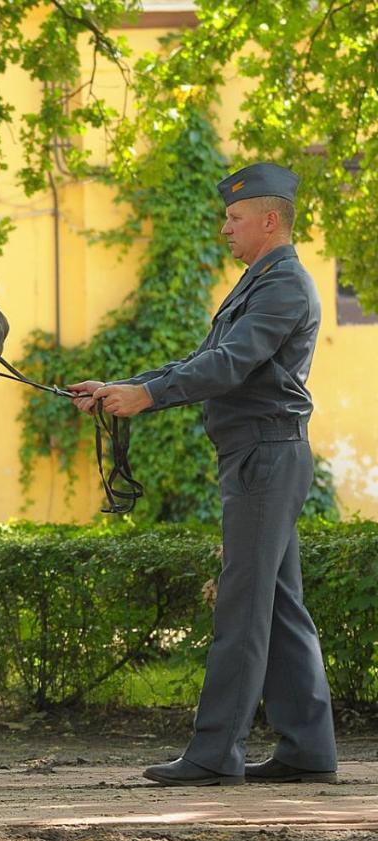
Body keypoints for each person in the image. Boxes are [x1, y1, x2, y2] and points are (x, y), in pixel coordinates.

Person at [69, 162, 337, 787]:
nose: (225, 229)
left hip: (265, 457)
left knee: (244, 607)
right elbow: (207, 358)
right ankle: (307, 749)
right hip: (260, 454)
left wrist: (148, 397)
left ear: (271, 221)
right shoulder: (261, 281)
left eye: (235, 218)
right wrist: (127, 389)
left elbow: (234, 363)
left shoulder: (283, 285)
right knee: (278, 604)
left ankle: (216, 754)